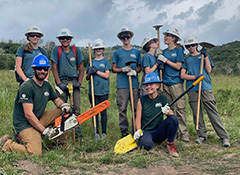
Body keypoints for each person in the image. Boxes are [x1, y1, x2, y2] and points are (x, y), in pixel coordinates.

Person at [0, 55, 71, 156]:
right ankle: (7, 145)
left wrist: (63, 105)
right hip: (25, 124)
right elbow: (28, 115)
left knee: (64, 112)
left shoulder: (46, 85)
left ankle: (58, 143)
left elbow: (57, 100)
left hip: (38, 118)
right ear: (33, 69)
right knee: (35, 152)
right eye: (39, 68)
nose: (42, 71)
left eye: (45, 69)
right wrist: (44, 130)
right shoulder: (27, 87)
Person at [181, 35, 230, 147]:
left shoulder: (204, 56)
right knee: (197, 113)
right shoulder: (186, 60)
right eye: (188, 46)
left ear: (197, 45)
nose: (191, 47)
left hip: (205, 87)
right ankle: (201, 135)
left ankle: (224, 136)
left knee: (213, 112)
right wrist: (194, 77)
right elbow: (182, 75)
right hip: (192, 87)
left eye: (193, 45)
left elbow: (208, 70)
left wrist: (206, 55)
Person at [134, 72, 179, 157]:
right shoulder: (142, 100)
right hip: (147, 131)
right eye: (146, 85)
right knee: (147, 145)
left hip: (159, 130)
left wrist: (167, 111)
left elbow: (172, 116)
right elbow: (138, 118)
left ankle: (170, 145)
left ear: (157, 86)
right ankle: (152, 141)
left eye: (151, 84)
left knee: (174, 119)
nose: (148, 87)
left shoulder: (163, 98)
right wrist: (138, 130)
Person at [50, 28, 84, 140]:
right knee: (62, 109)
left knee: (76, 108)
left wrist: (79, 82)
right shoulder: (57, 50)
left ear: (70, 39)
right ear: (59, 40)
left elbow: (81, 67)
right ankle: (62, 135)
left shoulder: (76, 50)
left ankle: (77, 135)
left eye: (67, 38)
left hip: (74, 82)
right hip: (62, 82)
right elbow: (54, 67)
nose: (65, 40)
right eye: (62, 38)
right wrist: (59, 83)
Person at [157, 28, 189, 142]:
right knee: (169, 109)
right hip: (165, 83)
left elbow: (178, 66)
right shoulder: (163, 52)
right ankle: (173, 132)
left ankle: (184, 133)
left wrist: (165, 60)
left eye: (168, 36)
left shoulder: (179, 50)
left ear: (174, 38)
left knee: (180, 108)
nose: (165, 37)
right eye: (165, 35)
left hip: (176, 83)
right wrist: (159, 60)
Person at [112, 26, 141, 138]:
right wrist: (122, 70)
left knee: (135, 108)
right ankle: (124, 131)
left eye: (127, 36)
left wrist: (135, 72)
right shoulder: (117, 53)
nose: (125, 39)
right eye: (123, 37)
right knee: (122, 108)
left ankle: (135, 129)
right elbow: (113, 69)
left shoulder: (136, 52)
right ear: (120, 39)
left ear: (131, 37)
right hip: (122, 85)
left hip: (134, 84)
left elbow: (139, 67)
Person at [86, 38, 111, 140]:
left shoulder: (106, 61)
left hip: (103, 91)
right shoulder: (91, 62)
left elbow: (106, 75)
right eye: (96, 49)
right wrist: (89, 72)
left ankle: (103, 132)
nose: (98, 50)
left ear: (103, 49)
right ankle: (96, 132)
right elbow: (87, 78)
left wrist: (95, 71)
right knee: (94, 112)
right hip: (93, 91)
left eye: (100, 48)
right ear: (94, 50)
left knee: (103, 113)